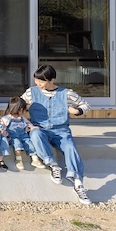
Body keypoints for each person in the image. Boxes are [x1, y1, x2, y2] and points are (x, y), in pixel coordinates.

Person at [21, 64, 92, 205]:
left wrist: (77, 111)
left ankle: (78, 183)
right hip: (40, 128)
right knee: (35, 134)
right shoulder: (31, 92)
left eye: (41, 81)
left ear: (51, 80)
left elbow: (86, 105)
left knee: (70, 147)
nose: (38, 83)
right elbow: (17, 106)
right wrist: (25, 113)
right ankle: (53, 165)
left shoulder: (67, 93)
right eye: (36, 80)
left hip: (61, 131)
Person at [0, 96, 43, 170]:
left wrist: (31, 127)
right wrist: (4, 134)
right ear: (19, 109)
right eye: (24, 109)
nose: (25, 111)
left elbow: (28, 123)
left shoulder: (22, 118)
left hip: (23, 135)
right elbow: (2, 127)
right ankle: (18, 160)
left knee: (30, 144)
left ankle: (35, 159)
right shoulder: (7, 118)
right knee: (17, 144)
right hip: (13, 137)